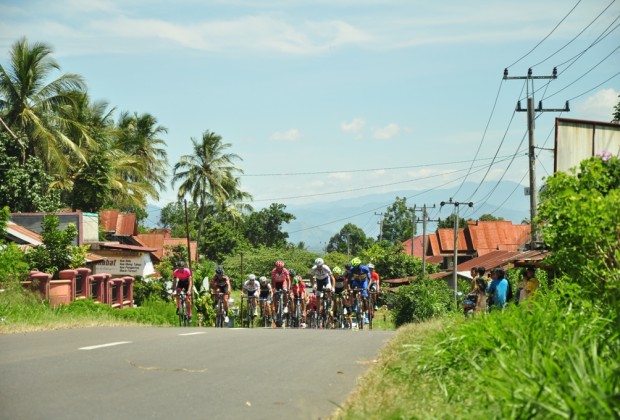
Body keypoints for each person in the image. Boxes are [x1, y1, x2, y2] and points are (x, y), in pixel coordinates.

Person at [347, 257, 370, 324]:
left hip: (364, 282)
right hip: (356, 282)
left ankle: (366, 317)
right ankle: (355, 303)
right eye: (354, 267)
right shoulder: (352, 269)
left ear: (359, 265)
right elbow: (349, 279)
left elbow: (369, 278)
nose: (355, 268)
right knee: (353, 290)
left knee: (365, 298)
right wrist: (349, 287)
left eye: (357, 267)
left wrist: (368, 287)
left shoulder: (365, 268)